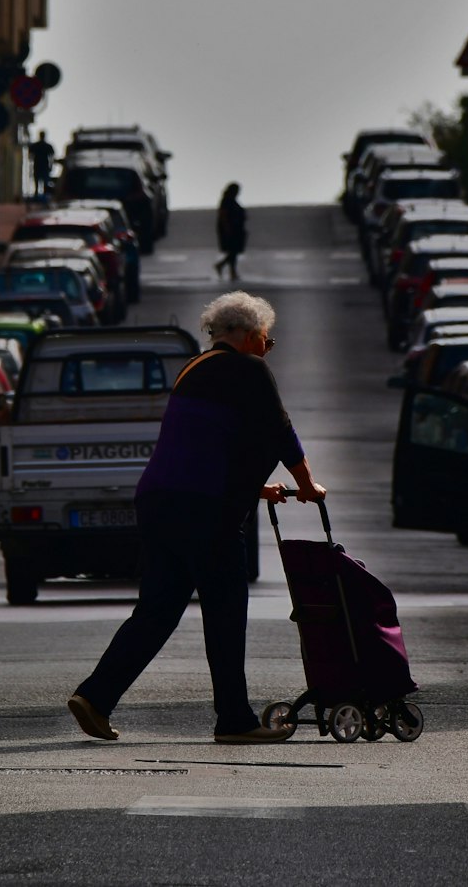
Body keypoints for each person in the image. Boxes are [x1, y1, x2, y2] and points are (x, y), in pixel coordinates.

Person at [67, 290, 325, 745]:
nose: (267, 348)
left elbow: (204, 443)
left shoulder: (193, 368)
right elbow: (282, 433)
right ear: (248, 336)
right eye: (267, 339)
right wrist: (307, 486)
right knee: (226, 610)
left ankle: (96, 696)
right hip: (205, 510)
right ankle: (234, 719)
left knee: (157, 609)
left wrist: (255, 486)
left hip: (160, 501)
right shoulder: (249, 369)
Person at [214, 182, 246, 280]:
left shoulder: (231, 200)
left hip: (235, 228)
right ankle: (224, 267)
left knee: (233, 252)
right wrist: (227, 228)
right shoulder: (227, 201)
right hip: (231, 229)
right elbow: (223, 215)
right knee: (233, 251)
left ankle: (231, 271)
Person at [28, 129, 55, 197]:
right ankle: (43, 199)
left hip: (37, 166)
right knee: (44, 186)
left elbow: (30, 157)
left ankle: (38, 198)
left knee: (37, 185)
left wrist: (31, 167)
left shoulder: (35, 146)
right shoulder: (48, 146)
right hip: (44, 167)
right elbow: (51, 157)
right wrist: (51, 166)